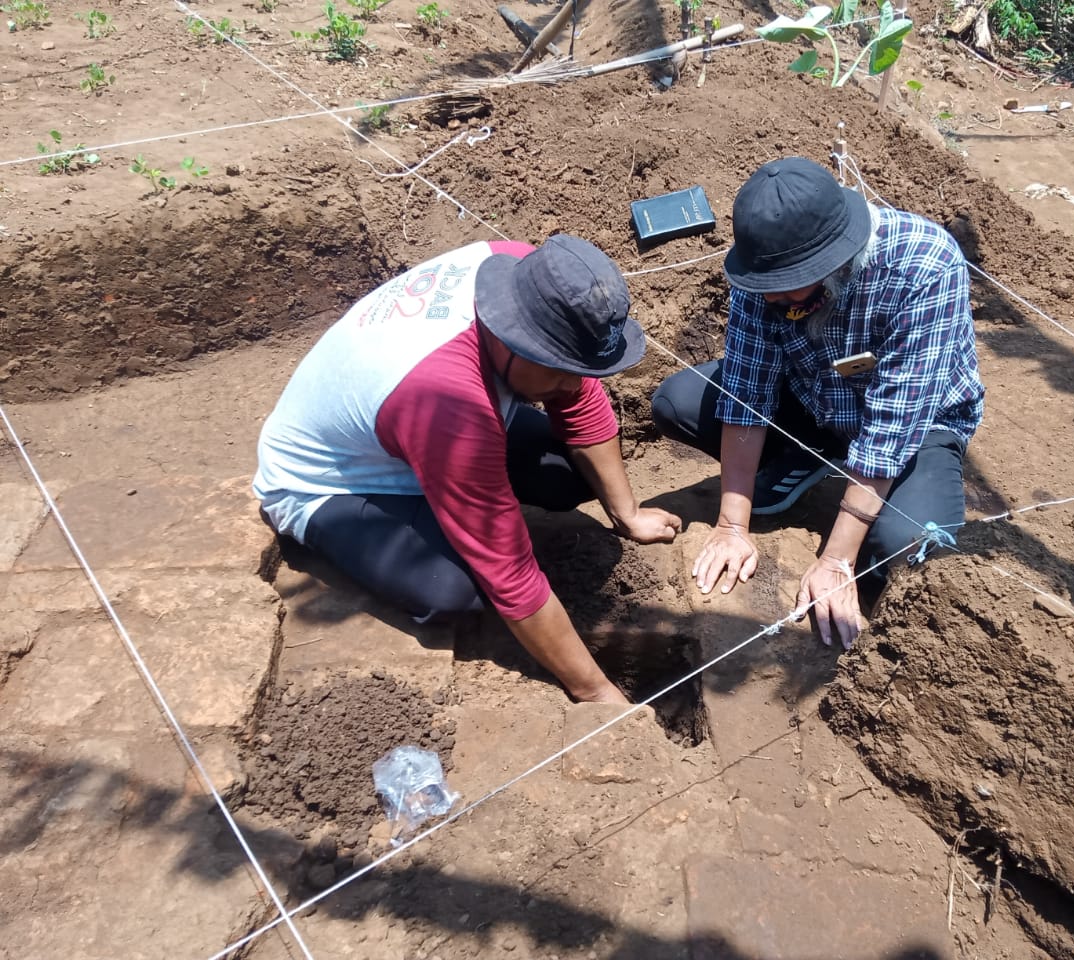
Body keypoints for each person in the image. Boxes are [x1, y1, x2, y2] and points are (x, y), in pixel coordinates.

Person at [254, 234, 682, 704]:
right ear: (512, 337)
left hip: (412, 431)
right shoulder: (449, 403)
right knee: (456, 590)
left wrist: (628, 515)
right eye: (559, 369)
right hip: (330, 482)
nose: (572, 383)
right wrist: (596, 692)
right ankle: (394, 523)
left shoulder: (528, 273)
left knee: (572, 473)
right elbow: (509, 572)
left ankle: (451, 500)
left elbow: (581, 400)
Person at [651, 156, 983, 650]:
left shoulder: (924, 267)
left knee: (908, 547)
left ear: (833, 259)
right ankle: (811, 451)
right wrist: (731, 525)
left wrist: (836, 561)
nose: (774, 299)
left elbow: (892, 430)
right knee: (675, 402)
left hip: (919, 426)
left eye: (788, 289)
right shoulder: (765, 274)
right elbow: (747, 390)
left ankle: (863, 505)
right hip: (814, 399)